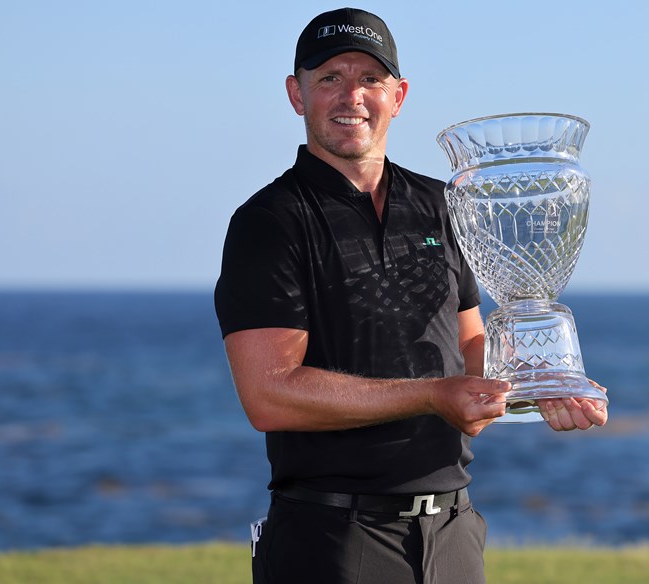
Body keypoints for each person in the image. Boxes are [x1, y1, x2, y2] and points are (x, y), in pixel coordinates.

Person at [214, 7, 608, 584]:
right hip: (333, 540)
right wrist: (434, 395)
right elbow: (269, 394)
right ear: (297, 95)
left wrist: (537, 385)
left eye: (370, 79)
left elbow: (471, 344)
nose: (352, 95)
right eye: (330, 78)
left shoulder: (445, 205)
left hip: (453, 532)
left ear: (397, 96)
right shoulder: (269, 222)